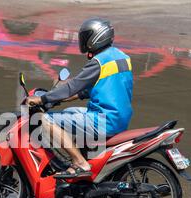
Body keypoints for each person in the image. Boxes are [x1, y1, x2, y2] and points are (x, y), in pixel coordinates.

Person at [27, 18, 133, 178]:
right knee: (70, 111)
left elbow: (74, 86)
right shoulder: (121, 57)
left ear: (95, 38)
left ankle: (79, 162)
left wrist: (42, 99)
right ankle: (83, 156)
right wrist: (59, 98)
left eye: (85, 36)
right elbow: (93, 89)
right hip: (119, 117)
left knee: (45, 119)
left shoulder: (99, 62)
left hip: (104, 120)